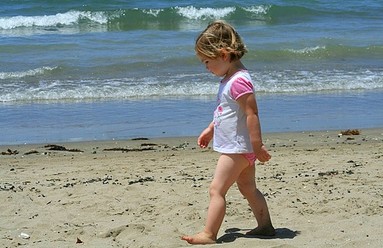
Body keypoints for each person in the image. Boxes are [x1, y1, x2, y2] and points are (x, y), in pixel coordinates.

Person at [181, 20, 275, 245]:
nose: (205, 67)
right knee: (248, 188)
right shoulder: (231, 79)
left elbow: (252, 114)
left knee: (216, 190)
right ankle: (265, 226)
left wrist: (257, 145)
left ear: (223, 55)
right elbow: (226, 113)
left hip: (237, 149)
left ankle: (209, 234)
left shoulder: (239, 82)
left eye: (206, 61)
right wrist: (211, 129)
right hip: (241, 148)